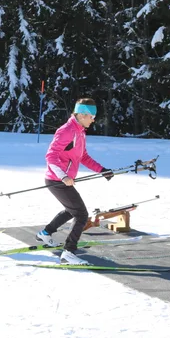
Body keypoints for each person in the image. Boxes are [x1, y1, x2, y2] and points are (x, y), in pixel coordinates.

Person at [37, 98, 114, 264]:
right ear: (81, 114)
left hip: (63, 180)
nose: (93, 119)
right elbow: (51, 156)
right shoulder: (66, 131)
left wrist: (102, 170)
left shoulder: (80, 132)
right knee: (81, 215)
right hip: (57, 180)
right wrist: (63, 176)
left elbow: (83, 157)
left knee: (71, 209)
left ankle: (45, 233)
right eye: (91, 116)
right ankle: (68, 252)